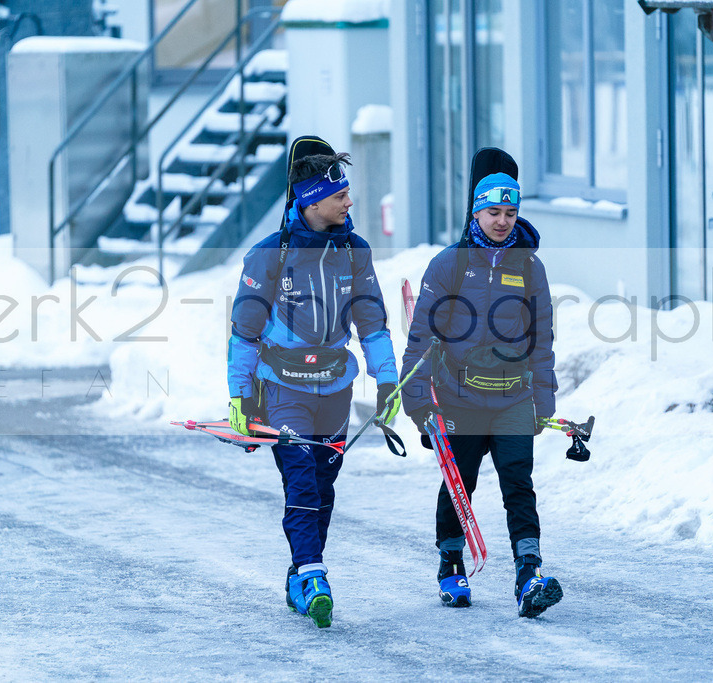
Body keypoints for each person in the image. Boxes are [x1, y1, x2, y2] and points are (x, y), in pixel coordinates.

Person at [227, 151, 401, 628]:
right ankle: (313, 573)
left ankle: (299, 574)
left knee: (323, 488)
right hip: (282, 387)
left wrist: (386, 379)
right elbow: (244, 331)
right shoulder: (270, 254)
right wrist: (240, 395)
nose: (349, 202)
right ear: (312, 201)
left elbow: (372, 324)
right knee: (301, 478)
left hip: (335, 388)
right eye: (340, 195)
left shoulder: (355, 251)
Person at [400, 170, 562, 618]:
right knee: (460, 482)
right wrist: (419, 406)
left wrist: (543, 405)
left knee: (518, 483)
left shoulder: (529, 266)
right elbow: (421, 340)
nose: (503, 221)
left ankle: (528, 571)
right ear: (476, 211)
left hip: (513, 397)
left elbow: (542, 340)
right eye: (494, 212)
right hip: (459, 398)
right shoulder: (450, 264)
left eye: (511, 213)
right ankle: (451, 560)